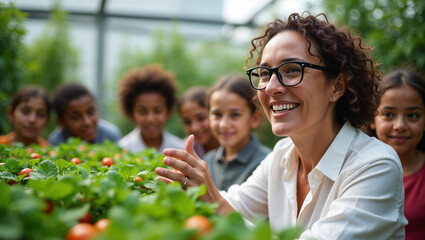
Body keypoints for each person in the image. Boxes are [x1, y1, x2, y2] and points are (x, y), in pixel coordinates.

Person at [155, 12, 407, 239]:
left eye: (292, 70)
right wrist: (187, 188)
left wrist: (217, 204)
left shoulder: (375, 166)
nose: (272, 88)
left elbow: (222, 207)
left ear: (337, 86)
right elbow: (233, 202)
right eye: (265, 73)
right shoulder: (282, 156)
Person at [368, 70, 425, 240]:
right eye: (389, 115)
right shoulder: (352, 171)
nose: (400, 125)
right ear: (372, 119)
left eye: (413, 115)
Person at [202, 75, 271, 191]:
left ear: (254, 118)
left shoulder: (267, 162)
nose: (223, 124)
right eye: (217, 115)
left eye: (235, 115)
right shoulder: (208, 161)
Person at [117, 64, 185, 153]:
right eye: (142, 112)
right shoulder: (122, 149)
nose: (150, 119)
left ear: (168, 111)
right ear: (131, 113)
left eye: (157, 111)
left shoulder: (180, 149)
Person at [48, 83, 121, 145]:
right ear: (61, 123)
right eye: (76, 117)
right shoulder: (56, 142)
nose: (87, 122)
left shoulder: (110, 135)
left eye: (91, 112)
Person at [177, 86, 219, 158]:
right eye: (187, 122)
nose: (194, 128)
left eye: (201, 118)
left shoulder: (231, 145)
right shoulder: (185, 151)